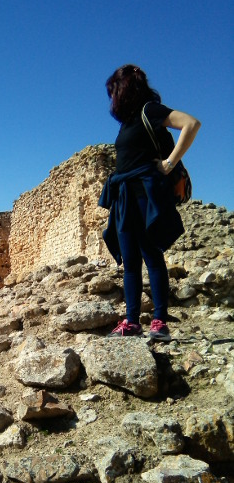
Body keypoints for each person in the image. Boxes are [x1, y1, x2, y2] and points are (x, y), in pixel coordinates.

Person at [99, 64, 201, 341]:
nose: (112, 98)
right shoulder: (127, 122)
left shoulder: (149, 111)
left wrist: (169, 163)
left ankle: (160, 322)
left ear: (125, 89)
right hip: (124, 196)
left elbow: (191, 124)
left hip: (144, 193)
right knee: (130, 261)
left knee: (151, 255)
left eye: (114, 91)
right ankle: (131, 321)